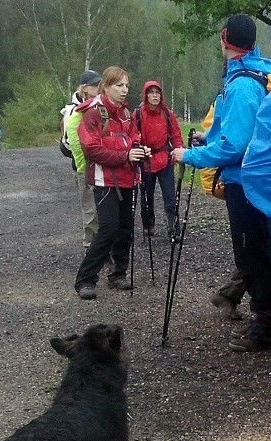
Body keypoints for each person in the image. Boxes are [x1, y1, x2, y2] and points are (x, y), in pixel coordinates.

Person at [171, 14, 271, 353]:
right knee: (264, 248)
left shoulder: (240, 85)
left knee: (251, 254)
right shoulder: (260, 73)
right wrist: (208, 136)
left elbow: (235, 147)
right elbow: (240, 131)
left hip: (244, 183)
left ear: (224, 38)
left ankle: (265, 325)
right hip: (260, 180)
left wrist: (187, 156)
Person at [73, 66, 147, 300]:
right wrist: (125, 156)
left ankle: (118, 274)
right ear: (106, 87)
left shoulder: (126, 113)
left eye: (126, 86)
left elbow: (134, 137)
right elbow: (92, 149)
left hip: (128, 178)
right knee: (108, 229)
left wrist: (139, 149)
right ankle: (85, 279)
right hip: (104, 180)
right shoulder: (94, 112)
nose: (124, 90)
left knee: (125, 228)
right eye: (119, 86)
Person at [133, 80, 184, 240]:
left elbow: (175, 135)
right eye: (151, 92)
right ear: (146, 95)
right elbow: (133, 135)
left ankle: (173, 227)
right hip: (146, 160)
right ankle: (148, 225)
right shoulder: (138, 114)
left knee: (170, 196)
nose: (155, 96)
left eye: (157, 92)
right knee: (146, 196)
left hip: (165, 160)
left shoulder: (167, 114)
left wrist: (179, 151)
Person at [63, 70, 103, 249]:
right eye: (95, 85)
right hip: (82, 166)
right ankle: (90, 247)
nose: (98, 88)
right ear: (85, 88)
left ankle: (101, 247)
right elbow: (69, 143)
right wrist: (83, 166)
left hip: (100, 164)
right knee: (90, 211)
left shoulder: (99, 106)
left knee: (102, 209)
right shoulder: (73, 111)